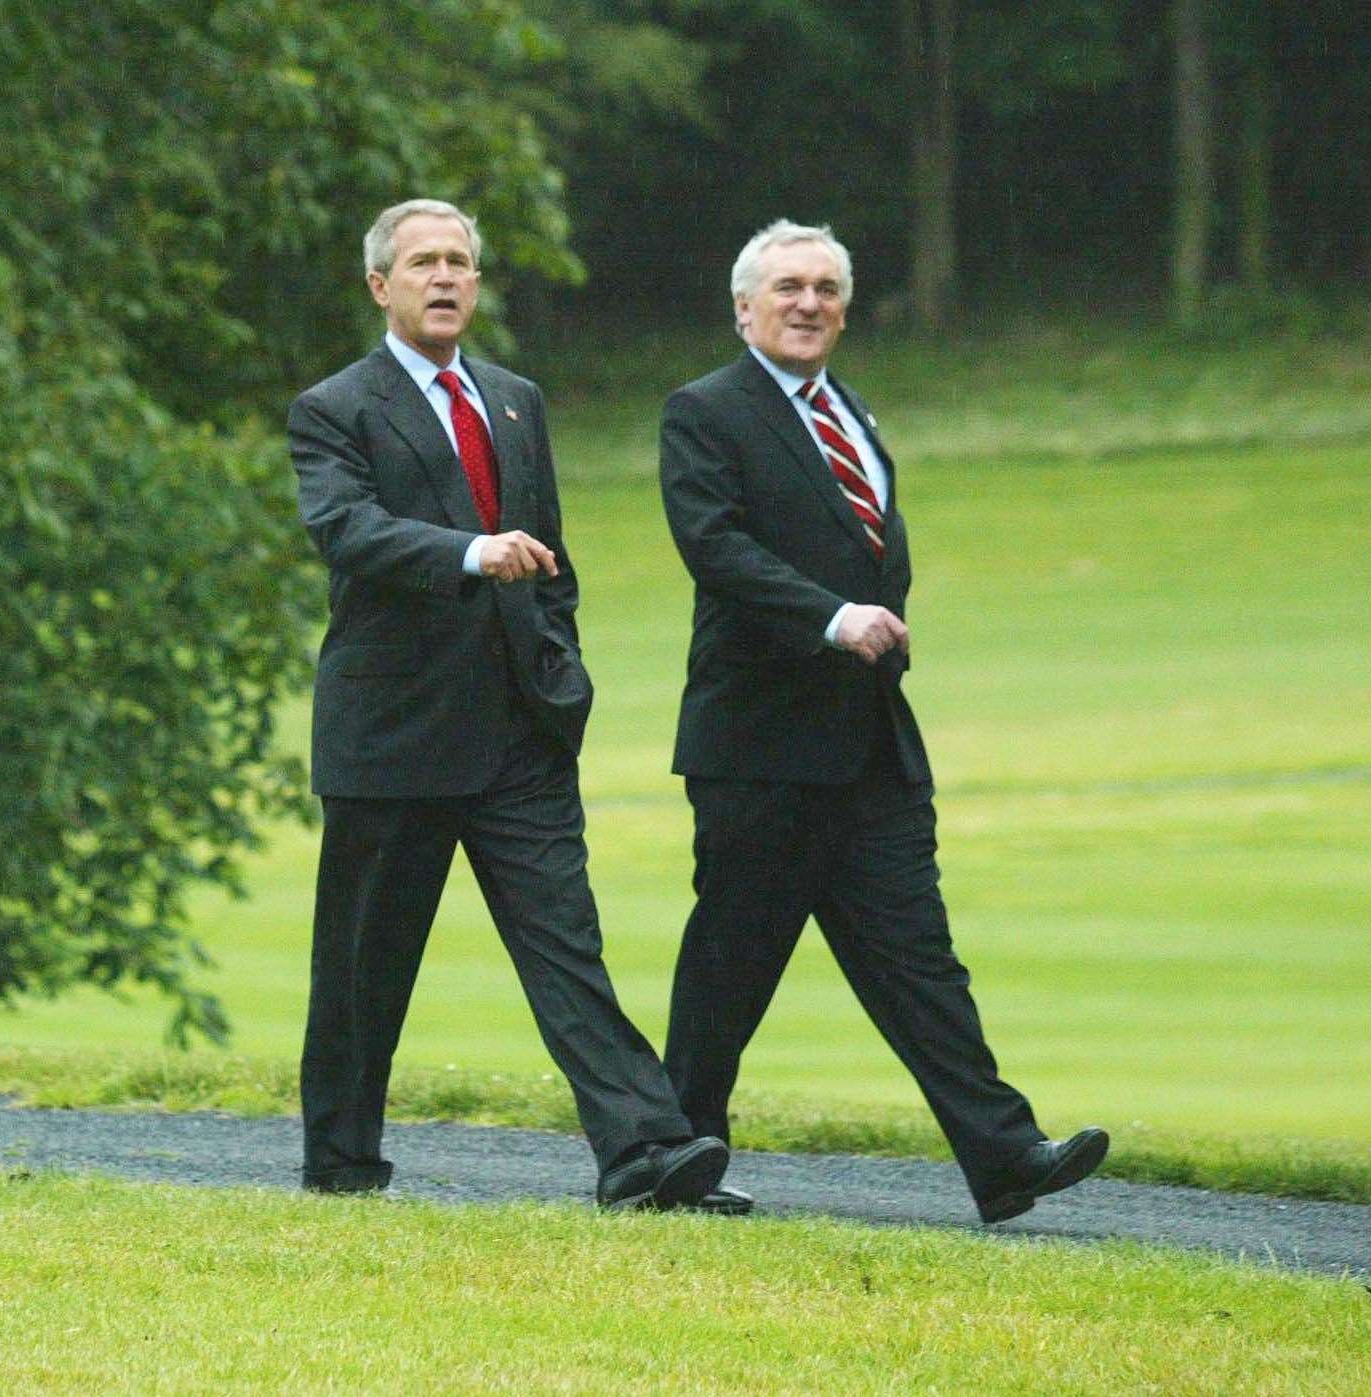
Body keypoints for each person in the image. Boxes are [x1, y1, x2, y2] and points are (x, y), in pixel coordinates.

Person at [657, 219, 1108, 1224]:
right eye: (785, 287)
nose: (807, 302)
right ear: (743, 308)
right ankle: (668, 1155)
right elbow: (712, 547)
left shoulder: (848, 411)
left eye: (825, 287)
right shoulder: (704, 412)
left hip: (866, 746)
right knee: (731, 959)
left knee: (916, 955)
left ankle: (1002, 1154)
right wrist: (831, 617)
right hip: (760, 748)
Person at [288, 198, 728, 1210]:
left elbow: (551, 558)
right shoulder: (334, 408)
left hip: (516, 738)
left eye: (459, 262)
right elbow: (346, 530)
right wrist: (467, 553)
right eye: (422, 263)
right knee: (363, 972)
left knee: (566, 946)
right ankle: (341, 1164)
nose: (444, 277)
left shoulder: (515, 399)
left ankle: (646, 1153)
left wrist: (560, 675)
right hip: (391, 739)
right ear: (378, 286)